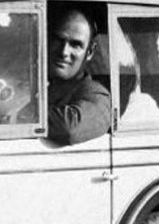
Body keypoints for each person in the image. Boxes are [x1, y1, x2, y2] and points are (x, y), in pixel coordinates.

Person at [46, 7, 112, 145]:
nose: (64, 52)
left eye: (75, 45)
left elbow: (69, 129)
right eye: (58, 40)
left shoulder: (96, 94)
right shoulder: (36, 86)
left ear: (90, 52)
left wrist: (24, 115)